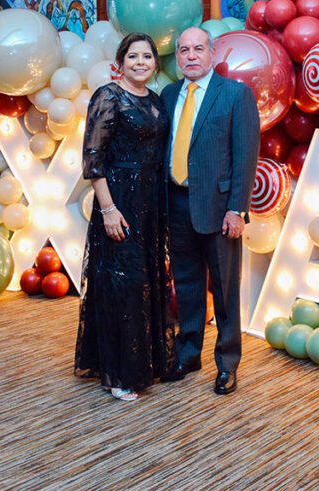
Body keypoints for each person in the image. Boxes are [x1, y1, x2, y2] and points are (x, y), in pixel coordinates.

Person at [74, 33, 177, 402]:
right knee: (123, 284)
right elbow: (93, 159)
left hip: (151, 202)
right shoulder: (108, 96)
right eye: (133, 56)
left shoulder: (156, 100)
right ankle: (118, 373)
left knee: (148, 280)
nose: (140, 62)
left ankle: (147, 362)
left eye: (147, 56)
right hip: (119, 201)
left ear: (155, 63)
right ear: (120, 62)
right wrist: (108, 209)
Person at [161, 27, 260, 395]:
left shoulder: (235, 95)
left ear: (212, 52)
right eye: (184, 50)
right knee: (186, 286)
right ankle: (188, 355)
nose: (191, 56)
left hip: (220, 210)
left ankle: (227, 364)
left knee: (225, 290)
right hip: (176, 203)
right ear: (177, 56)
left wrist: (237, 209)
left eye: (198, 49)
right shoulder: (168, 95)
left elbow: (245, 156)